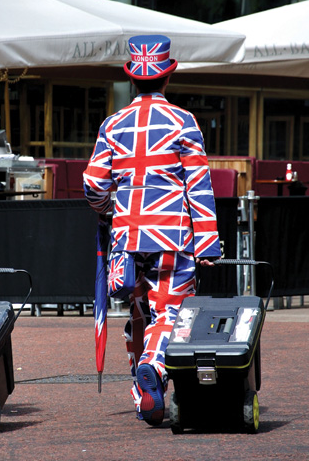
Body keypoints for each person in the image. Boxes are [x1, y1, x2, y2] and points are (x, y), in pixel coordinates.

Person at [83, 34, 220, 426]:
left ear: (133, 78)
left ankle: (142, 392)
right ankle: (154, 370)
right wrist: (208, 245)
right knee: (170, 313)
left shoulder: (113, 123)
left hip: (127, 239)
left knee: (138, 311)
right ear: (167, 78)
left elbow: (93, 184)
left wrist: (112, 210)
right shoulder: (184, 122)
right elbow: (199, 186)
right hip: (172, 237)